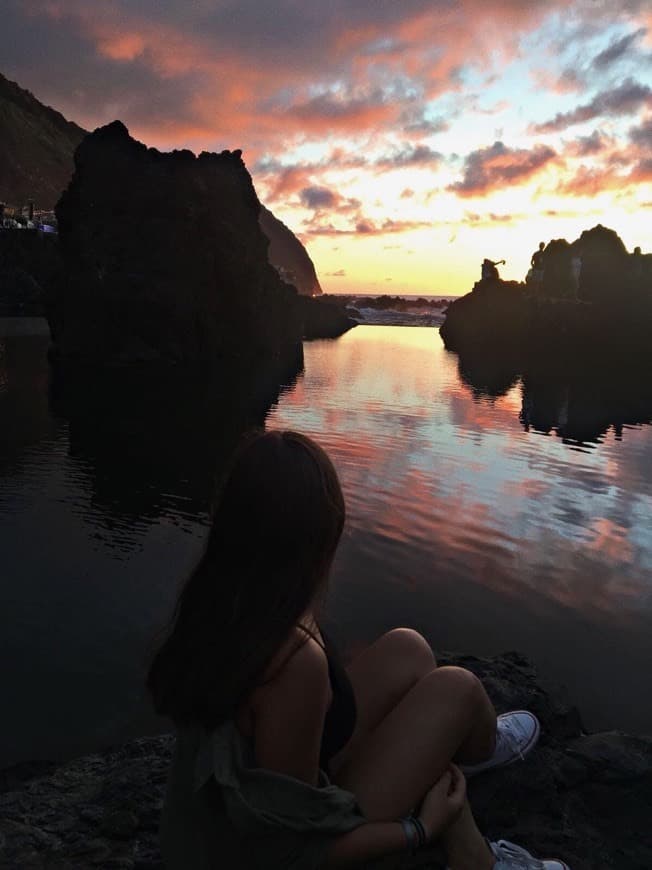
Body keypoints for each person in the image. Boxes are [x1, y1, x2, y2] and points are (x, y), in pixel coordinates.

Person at [147, 430, 569, 870]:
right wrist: (422, 828)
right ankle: (470, 818)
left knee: (408, 649)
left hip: (217, 823)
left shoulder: (221, 599)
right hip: (245, 852)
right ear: (320, 538)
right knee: (458, 689)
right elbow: (294, 851)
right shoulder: (292, 663)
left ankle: (462, 750)